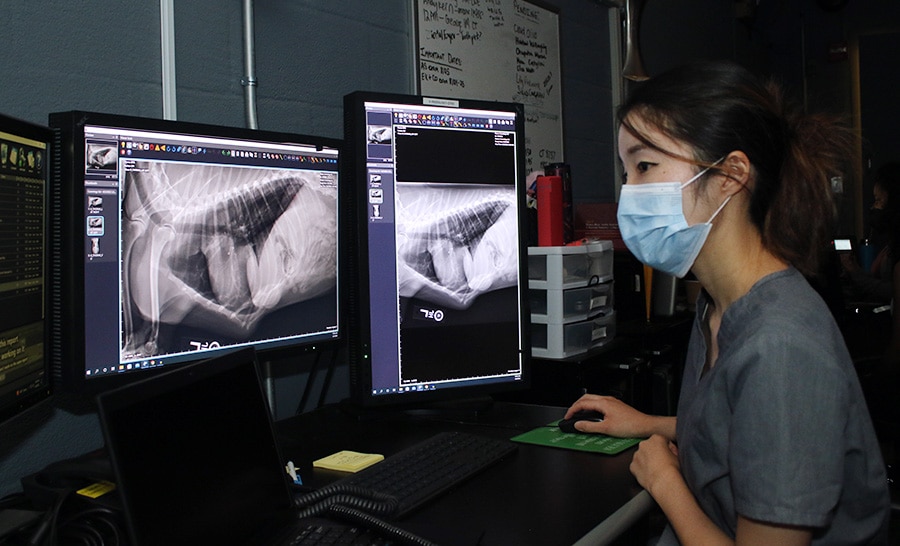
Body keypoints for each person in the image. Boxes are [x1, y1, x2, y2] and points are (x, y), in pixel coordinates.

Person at [565, 60, 890, 544]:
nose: (628, 192)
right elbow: (748, 424)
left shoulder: (781, 346)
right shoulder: (720, 306)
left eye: (646, 165)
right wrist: (649, 424)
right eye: (626, 171)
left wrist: (663, 478)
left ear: (731, 175)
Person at [840, 162, 900, 304]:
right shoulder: (891, 244)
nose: (874, 207)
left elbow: (891, 290)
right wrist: (855, 270)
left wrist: (857, 275)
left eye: (879, 200)